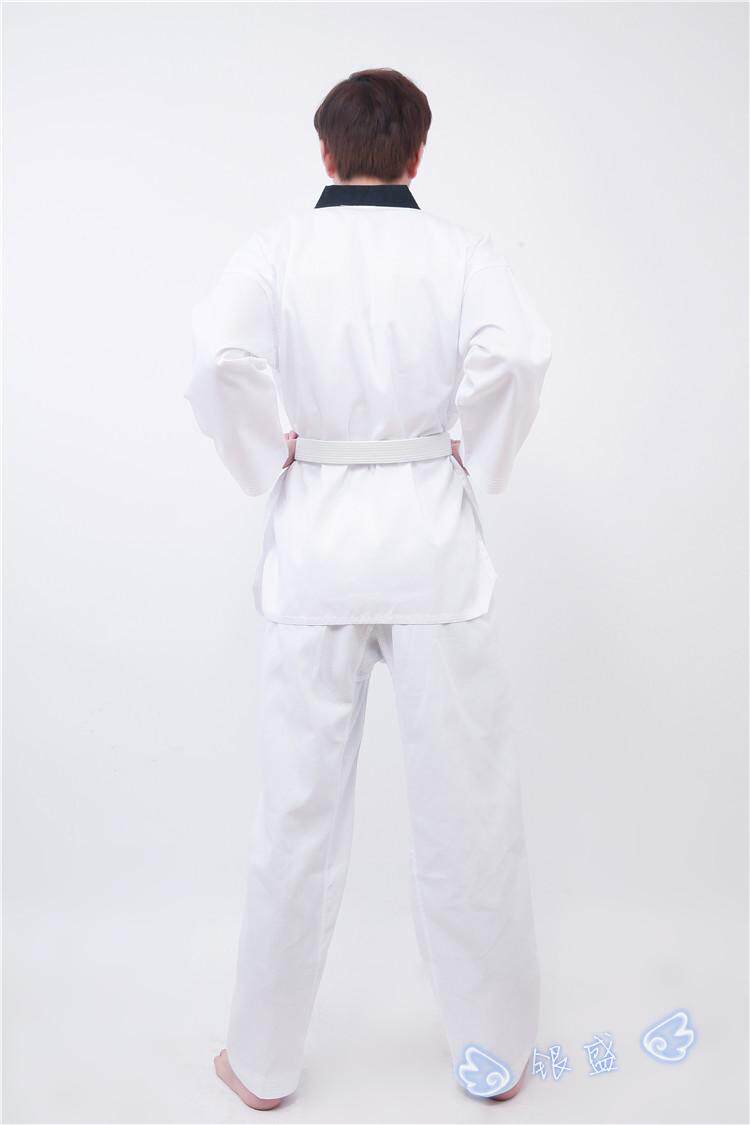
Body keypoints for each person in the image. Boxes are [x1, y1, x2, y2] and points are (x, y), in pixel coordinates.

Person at [185, 67, 552, 1110]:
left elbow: (216, 356)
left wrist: (267, 451)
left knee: (296, 814)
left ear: (326, 150)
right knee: (468, 811)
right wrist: (475, 445)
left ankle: (262, 1063)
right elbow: (523, 354)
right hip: (432, 547)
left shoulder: (276, 253)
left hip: (317, 552)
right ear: (418, 153)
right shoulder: (463, 256)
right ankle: (495, 1056)